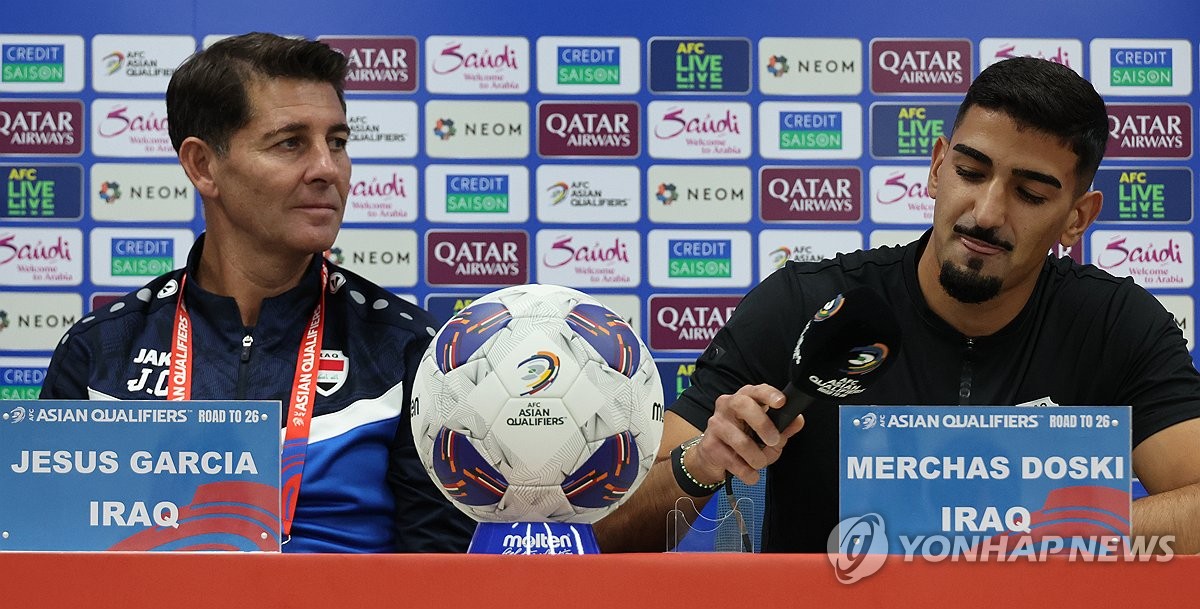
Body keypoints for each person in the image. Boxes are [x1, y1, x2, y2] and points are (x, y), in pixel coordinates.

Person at [595, 57, 1200, 553]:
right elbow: (613, 529)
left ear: (1078, 217)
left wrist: (1046, 532)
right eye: (969, 171)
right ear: (937, 168)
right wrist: (701, 463)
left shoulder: (1117, 325)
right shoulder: (806, 304)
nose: (986, 213)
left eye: (1030, 193)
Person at [40, 33, 474, 553]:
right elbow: (54, 557)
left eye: (336, 141)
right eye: (290, 143)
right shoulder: (100, 351)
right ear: (203, 166)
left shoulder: (411, 350)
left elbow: (441, 574)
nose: (327, 169)